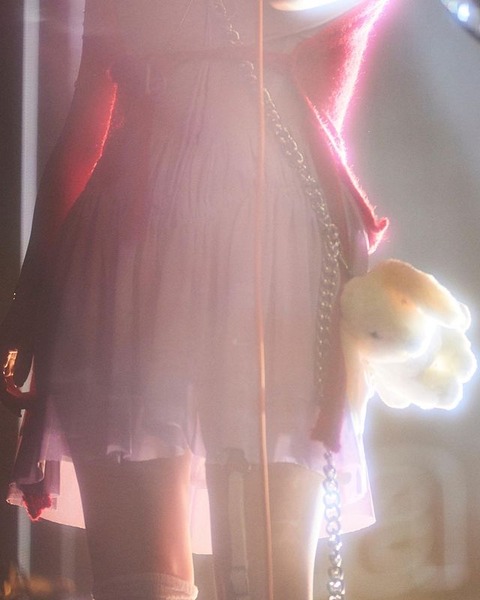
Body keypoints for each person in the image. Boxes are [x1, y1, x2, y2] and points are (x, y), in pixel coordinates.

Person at [1, 1, 390, 599]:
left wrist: (31, 302)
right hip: (149, 246)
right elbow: (82, 134)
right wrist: (30, 300)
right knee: (157, 581)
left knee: (258, 579)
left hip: (248, 252)